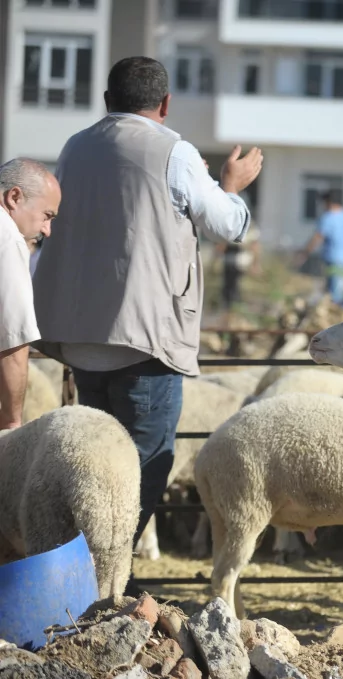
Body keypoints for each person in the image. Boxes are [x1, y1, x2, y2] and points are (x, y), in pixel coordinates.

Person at [31, 56, 262, 594]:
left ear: (106, 100)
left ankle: (80, 576)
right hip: (147, 336)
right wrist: (231, 183)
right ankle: (107, 577)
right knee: (144, 463)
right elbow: (228, 224)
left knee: (91, 463)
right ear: (164, 105)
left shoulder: (75, 147)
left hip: (84, 337)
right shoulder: (175, 151)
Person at [0, 158, 60, 430]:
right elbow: (13, 342)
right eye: (47, 215)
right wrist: (12, 423)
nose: (47, 229)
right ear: (15, 197)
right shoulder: (8, 238)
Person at [299, 189, 343, 307]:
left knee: (335, 294)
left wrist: (305, 252)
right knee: (342, 289)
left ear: (330, 202)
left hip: (333, 259)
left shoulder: (327, 218)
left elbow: (318, 237)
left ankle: (338, 316)